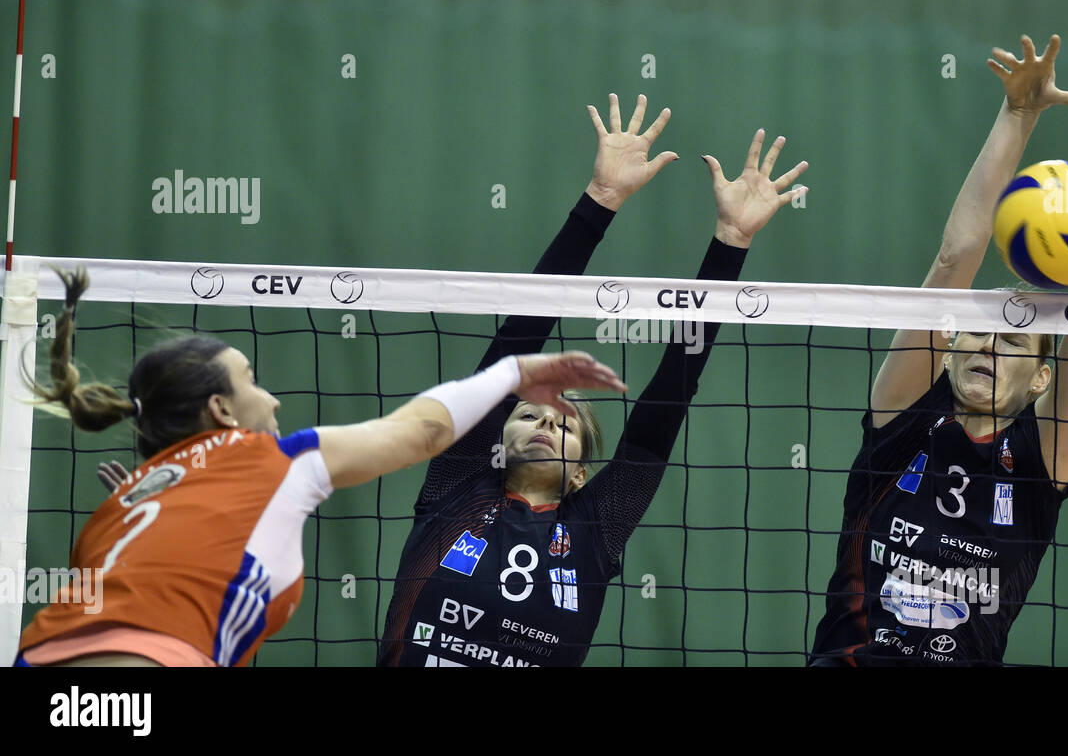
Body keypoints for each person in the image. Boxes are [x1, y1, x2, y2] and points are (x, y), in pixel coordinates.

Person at [810, 36, 1068, 666]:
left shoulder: (1038, 461)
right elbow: (954, 259)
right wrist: (1018, 114)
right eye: (979, 328)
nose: (991, 344)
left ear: (1043, 378)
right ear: (947, 346)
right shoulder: (901, 419)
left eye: (1015, 337)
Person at [379, 94, 808, 666]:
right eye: (528, 412)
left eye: (564, 425)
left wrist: (730, 245)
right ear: (496, 443)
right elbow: (516, 341)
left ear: (582, 473)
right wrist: (599, 201)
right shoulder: (455, 484)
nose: (543, 421)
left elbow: (667, 403)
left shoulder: (596, 528)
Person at [16, 266, 626, 667]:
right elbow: (424, 431)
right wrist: (514, 374)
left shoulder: (122, 506)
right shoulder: (268, 460)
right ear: (222, 408)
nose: (273, 399)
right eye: (253, 381)